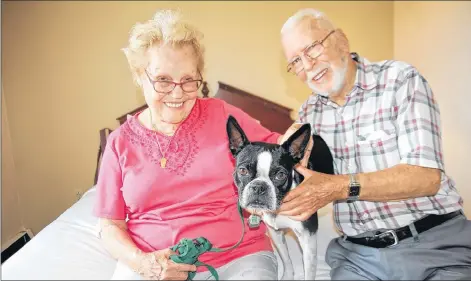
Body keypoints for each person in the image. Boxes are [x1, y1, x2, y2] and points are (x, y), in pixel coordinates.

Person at [277, 8, 471, 280]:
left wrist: (337, 187)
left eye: (312, 48)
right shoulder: (309, 114)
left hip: (435, 243)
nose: (307, 65)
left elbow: (427, 178)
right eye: (295, 61)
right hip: (359, 258)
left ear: (342, 40)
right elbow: (301, 191)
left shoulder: (400, 80)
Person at [93, 9, 283, 280]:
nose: (177, 93)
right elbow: (109, 226)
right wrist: (146, 264)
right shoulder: (118, 143)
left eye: (188, 80)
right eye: (163, 80)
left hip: (238, 256)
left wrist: (303, 135)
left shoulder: (222, 115)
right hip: (152, 262)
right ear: (139, 76)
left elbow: (281, 149)